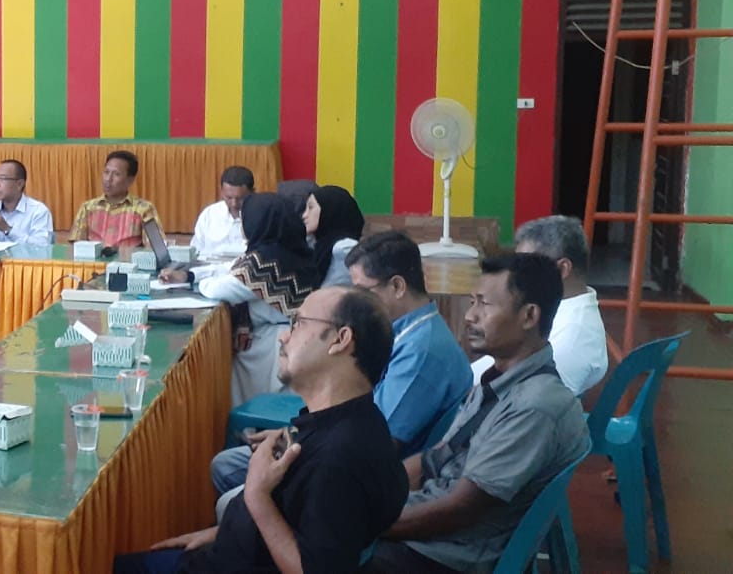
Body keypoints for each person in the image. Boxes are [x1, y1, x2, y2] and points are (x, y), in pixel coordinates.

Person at [114, 287, 409, 574]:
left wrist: (257, 494)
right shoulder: (355, 422)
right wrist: (220, 533)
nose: (284, 336)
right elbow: (301, 524)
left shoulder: (338, 458)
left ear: (340, 339)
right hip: (228, 550)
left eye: (298, 323)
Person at [209, 231, 474, 513]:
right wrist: (293, 435)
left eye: (362, 292)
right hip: (337, 445)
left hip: (356, 476)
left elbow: (374, 443)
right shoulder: (407, 332)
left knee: (230, 496)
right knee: (226, 465)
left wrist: (297, 447)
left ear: (397, 286)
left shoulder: (422, 352)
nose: (355, 302)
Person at [365, 253, 589, 574]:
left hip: (447, 555)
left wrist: (362, 524)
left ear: (529, 316)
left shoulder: (535, 407)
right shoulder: (497, 381)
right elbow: (434, 460)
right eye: (472, 302)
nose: (470, 316)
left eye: (484, 304)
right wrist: (365, 491)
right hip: (428, 529)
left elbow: (459, 509)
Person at [164, 193, 318, 406]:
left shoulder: (264, 264)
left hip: (275, 347)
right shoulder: (286, 250)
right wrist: (189, 275)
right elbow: (232, 268)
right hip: (291, 339)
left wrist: (200, 282)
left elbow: (219, 288)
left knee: (229, 379)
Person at [469, 215, 609, 396]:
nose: (516, 276)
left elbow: (524, 401)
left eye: (527, 268)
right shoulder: (560, 308)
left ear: (562, 269)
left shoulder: (571, 339)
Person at [67, 150, 161, 250]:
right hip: (94, 260)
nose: (108, 179)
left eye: (116, 174)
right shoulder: (87, 208)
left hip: (129, 260)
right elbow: (75, 246)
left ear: (130, 180)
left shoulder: (144, 209)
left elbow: (155, 248)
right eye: (106, 172)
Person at [0, 159, 54, 247]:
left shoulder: (38, 211)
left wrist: (7, 230)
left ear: (19, 184)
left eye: (2, 179)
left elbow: (42, 247)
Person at [304, 185, 366, 287]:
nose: (305, 215)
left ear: (328, 210)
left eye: (310, 207)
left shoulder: (343, 248)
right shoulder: (318, 245)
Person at [191, 166, 253, 259]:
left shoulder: (261, 216)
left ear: (252, 192)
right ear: (221, 192)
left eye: (240, 198)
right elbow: (195, 250)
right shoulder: (209, 214)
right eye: (229, 198)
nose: (234, 204)